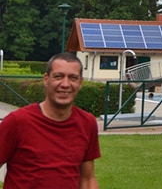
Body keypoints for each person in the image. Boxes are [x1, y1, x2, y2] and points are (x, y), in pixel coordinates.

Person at [0, 52, 101, 189]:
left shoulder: (87, 123)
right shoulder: (17, 121)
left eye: (73, 78)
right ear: (46, 79)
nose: (65, 84)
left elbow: (88, 178)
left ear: (80, 83)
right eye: (58, 77)